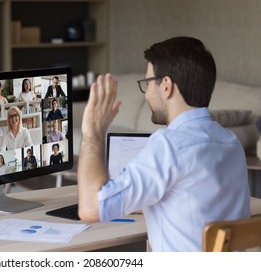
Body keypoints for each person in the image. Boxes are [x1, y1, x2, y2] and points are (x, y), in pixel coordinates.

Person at [77, 36, 250, 252]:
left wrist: (92, 132)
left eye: (148, 83)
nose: (147, 93)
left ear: (166, 85)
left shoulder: (169, 146)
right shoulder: (231, 143)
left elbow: (91, 208)